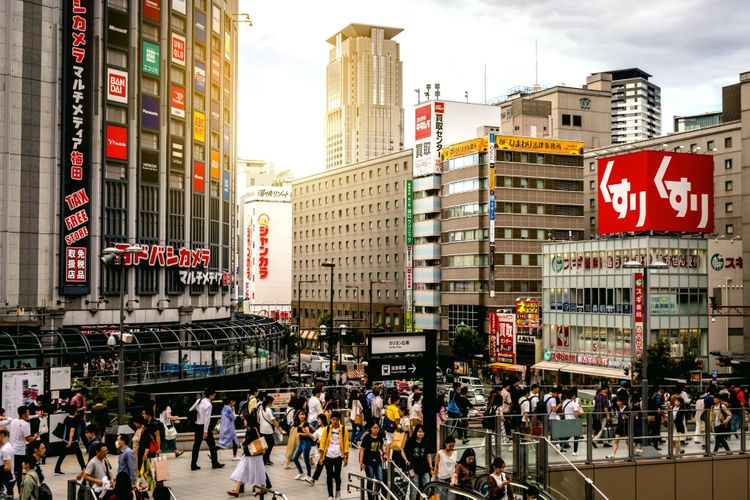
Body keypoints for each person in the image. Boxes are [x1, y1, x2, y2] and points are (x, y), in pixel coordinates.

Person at [227, 423, 269, 497]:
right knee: (256, 470)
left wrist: (243, 442)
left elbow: (251, 439)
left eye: (245, 420)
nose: (244, 421)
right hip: (253, 455)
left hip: (252, 455)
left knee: (242, 470)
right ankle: (263, 488)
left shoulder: (252, 429)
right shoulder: (253, 428)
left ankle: (263, 488)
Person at [189, 388, 223, 471]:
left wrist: (198, 412)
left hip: (197, 426)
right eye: (214, 394)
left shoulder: (199, 400)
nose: (214, 395)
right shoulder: (209, 405)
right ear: (211, 395)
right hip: (204, 427)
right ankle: (214, 463)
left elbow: (190, 409)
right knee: (212, 446)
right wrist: (205, 432)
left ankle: (193, 465)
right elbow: (207, 420)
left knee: (196, 446)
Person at [318, 411, 349, 500]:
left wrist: (346, 457)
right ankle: (330, 495)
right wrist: (321, 457)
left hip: (338, 456)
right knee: (329, 476)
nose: (334, 421)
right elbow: (322, 444)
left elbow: (346, 444)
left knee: (337, 475)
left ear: (339, 420)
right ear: (331, 419)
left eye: (336, 419)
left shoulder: (343, 430)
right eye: (333, 419)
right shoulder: (327, 429)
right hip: (328, 456)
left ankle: (338, 491)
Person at [9, 405, 38, 495]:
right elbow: (28, 439)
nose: (29, 413)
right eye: (28, 412)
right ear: (23, 413)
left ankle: (12, 490)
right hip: (20, 451)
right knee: (21, 472)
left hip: (12, 449)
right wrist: (35, 436)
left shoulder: (14, 421)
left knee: (15, 471)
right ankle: (20, 489)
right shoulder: (25, 424)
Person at [54, 405, 85, 474]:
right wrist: (70, 441)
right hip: (71, 441)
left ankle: (57, 468)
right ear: (75, 412)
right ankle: (83, 468)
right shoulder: (74, 420)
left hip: (64, 439)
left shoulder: (67, 418)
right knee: (79, 454)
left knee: (62, 455)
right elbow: (72, 430)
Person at [359, 421, 385, 499]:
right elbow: (362, 450)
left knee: (380, 479)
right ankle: (370, 497)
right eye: (374, 428)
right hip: (368, 461)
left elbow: (381, 447)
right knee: (370, 480)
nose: (376, 429)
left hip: (377, 461)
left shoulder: (380, 437)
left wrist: (384, 453)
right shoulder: (367, 437)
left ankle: (375, 494)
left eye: (377, 428)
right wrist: (361, 463)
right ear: (371, 428)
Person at [404, 424, 432, 493]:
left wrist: (431, 467)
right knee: (414, 489)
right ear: (416, 432)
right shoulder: (411, 442)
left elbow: (428, 455)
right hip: (413, 467)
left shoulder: (426, 441)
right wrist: (406, 460)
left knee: (427, 485)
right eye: (419, 432)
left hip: (424, 467)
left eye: (422, 432)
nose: (421, 433)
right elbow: (403, 450)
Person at [256, 396, 284, 466]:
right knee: (271, 443)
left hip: (262, 429)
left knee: (266, 445)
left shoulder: (261, 409)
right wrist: (280, 430)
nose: (272, 404)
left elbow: (258, 420)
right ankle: (265, 459)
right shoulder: (268, 410)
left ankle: (265, 459)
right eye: (272, 402)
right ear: (269, 402)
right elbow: (274, 421)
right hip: (268, 430)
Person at [291, 410, 314, 481]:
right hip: (301, 443)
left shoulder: (305, 423)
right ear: (298, 415)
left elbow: (308, 434)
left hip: (306, 442)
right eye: (301, 414)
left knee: (306, 459)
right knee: (295, 458)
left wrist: (300, 434)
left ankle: (309, 476)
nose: (302, 416)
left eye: (303, 415)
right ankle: (301, 473)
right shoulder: (299, 423)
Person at [560, 389, 584, 456]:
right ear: (573, 396)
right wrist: (580, 412)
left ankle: (561, 445)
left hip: (567, 420)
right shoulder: (573, 404)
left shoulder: (564, 402)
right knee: (575, 436)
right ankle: (574, 451)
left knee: (570, 435)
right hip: (573, 421)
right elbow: (576, 414)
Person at [0, 428, 13, 497]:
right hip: (6, 478)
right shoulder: (5, 446)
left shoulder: (5, 449)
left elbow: (8, 467)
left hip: (6, 478)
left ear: (2, 435)